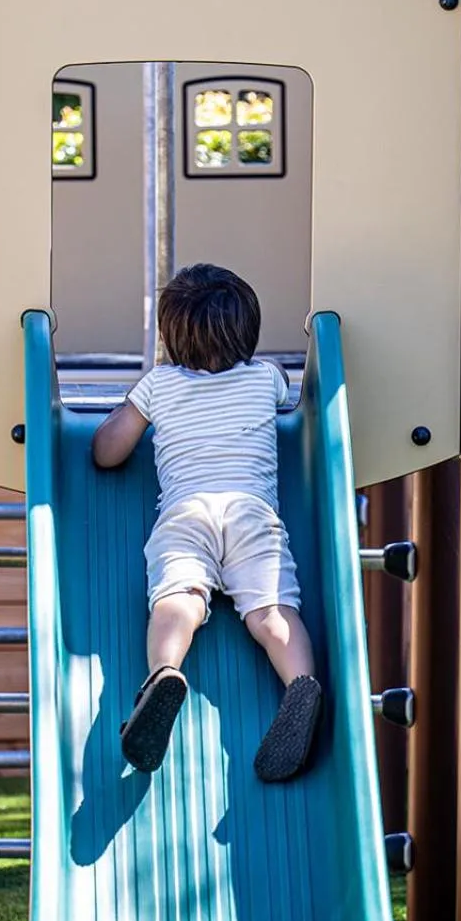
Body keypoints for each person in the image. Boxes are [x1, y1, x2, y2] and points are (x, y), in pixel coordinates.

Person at [92, 263, 322, 781]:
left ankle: (164, 674)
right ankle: (300, 684)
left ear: (171, 336)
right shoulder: (267, 378)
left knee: (179, 599)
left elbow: (108, 452)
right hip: (252, 513)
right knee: (271, 609)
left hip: (187, 511)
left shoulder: (159, 385)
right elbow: (287, 403)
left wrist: (127, 412)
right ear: (249, 330)